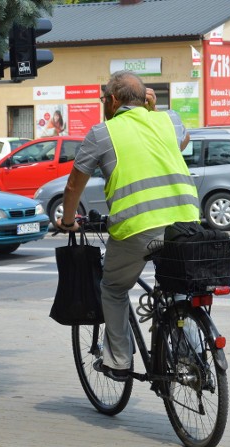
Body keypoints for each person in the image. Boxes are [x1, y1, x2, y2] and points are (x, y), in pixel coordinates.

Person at [56, 71, 200, 380]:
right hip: (187, 224)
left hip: (139, 229)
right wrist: (155, 110)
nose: (103, 103)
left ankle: (119, 361)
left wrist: (68, 221)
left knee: (113, 287)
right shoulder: (168, 120)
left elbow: (72, 186)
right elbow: (182, 139)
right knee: (179, 289)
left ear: (113, 100)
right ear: (145, 98)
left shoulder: (102, 133)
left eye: (104, 98)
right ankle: (191, 356)